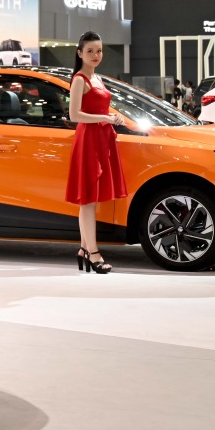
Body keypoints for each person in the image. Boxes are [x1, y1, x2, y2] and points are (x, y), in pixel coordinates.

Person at [66, 31, 127, 274]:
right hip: (89, 139)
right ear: (80, 53)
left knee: (93, 198)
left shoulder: (98, 78)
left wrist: (115, 117)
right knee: (88, 199)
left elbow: (100, 106)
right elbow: (74, 115)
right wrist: (105, 118)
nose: (96, 55)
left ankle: (83, 248)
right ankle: (93, 253)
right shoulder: (80, 79)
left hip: (102, 138)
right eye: (90, 51)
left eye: (99, 50)